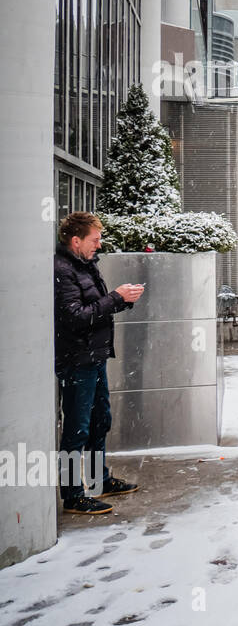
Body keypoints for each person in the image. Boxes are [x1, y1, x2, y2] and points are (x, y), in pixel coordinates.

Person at [54, 212, 145, 514]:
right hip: (77, 361)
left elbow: (94, 308)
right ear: (75, 240)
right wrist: (116, 298)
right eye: (95, 240)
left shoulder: (84, 266)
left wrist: (123, 298)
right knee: (77, 429)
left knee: (99, 422)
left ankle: (98, 481)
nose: (99, 245)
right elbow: (76, 317)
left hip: (93, 357)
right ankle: (72, 495)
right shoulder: (63, 269)